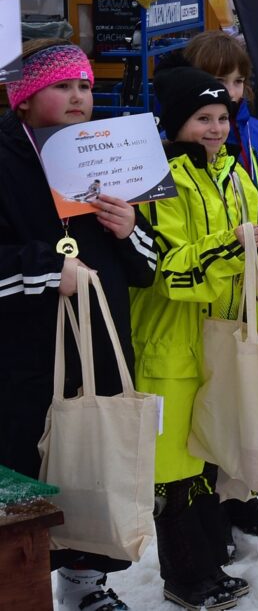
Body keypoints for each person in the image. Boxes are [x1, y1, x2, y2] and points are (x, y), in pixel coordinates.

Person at [130, 58, 258, 609]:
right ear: (173, 123)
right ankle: (186, 577)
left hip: (227, 337)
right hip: (170, 344)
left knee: (213, 451)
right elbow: (169, 272)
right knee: (176, 468)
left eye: (222, 116)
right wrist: (235, 243)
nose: (215, 128)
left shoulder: (235, 172)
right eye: (201, 118)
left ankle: (211, 551)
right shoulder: (156, 179)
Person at [0, 39, 156, 610]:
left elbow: (149, 267)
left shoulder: (106, 153)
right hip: (26, 360)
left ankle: (88, 584)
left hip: (102, 351)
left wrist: (128, 228)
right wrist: (46, 269)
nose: (78, 97)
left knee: (98, 466)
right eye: (62, 86)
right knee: (30, 474)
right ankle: (21, 590)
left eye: (86, 86)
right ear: (23, 100)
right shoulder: (4, 156)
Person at [183, 30, 258, 211]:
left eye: (238, 81)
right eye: (219, 81)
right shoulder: (178, 139)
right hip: (223, 239)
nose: (231, 92)